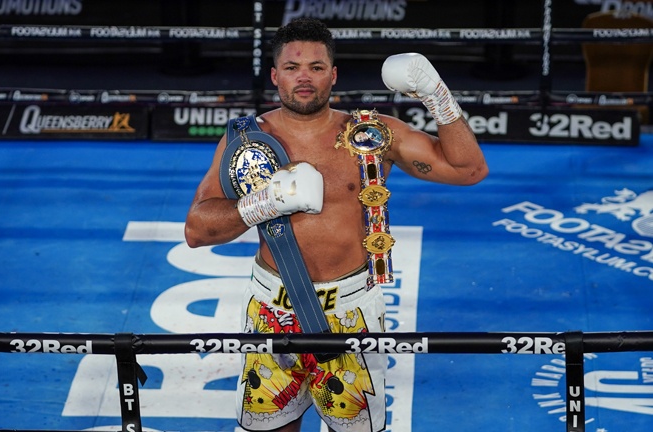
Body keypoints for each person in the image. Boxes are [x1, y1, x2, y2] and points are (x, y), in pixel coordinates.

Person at [185, 17, 488, 432]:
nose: (304, 78)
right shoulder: (247, 140)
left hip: (353, 309)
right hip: (271, 308)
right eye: (292, 68)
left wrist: (438, 97)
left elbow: (468, 169)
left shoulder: (371, 134)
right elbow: (196, 231)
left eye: (316, 67)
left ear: (334, 74)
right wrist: (262, 203)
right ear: (275, 76)